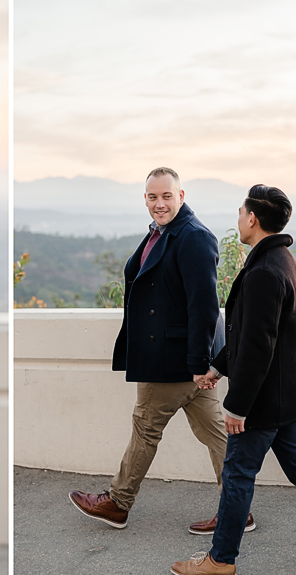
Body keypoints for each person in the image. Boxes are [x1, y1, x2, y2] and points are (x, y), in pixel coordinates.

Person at [171, 185, 296, 575]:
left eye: (241, 212)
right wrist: (217, 368)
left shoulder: (263, 272)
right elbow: (247, 332)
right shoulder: (283, 260)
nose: (238, 218)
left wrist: (236, 406)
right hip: (287, 395)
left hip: (262, 400)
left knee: (238, 473)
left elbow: (258, 346)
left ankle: (221, 560)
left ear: (253, 219)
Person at [69, 167, 255, 535]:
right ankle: (238, 510)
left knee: (145, 427)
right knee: (215, 432)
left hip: (175, 359)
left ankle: (118, 503)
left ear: (181, 196)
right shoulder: (163, 232)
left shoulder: (194, 237)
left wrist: (199, 362)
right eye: (153, 197)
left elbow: (203, 305)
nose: (159, 203)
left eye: (167, 196)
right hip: (182, 356)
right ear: (145, 199)